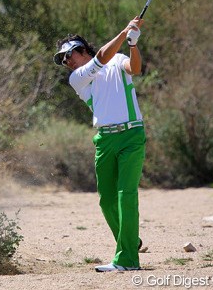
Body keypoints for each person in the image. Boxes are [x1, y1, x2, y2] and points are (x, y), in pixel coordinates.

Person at [54, 17, 145, 272]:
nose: (66, 62)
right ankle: (129, 241)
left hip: (131, 136)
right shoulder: (78, 78)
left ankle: (127, 259)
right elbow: (103, 56)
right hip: (105, 139)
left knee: (126, 195)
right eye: (63, 59)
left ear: (83, 51)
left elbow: (135, 68)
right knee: (106, 201)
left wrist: (133, 45)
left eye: (68, 55)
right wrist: (125, 30)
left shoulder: (116, 61)